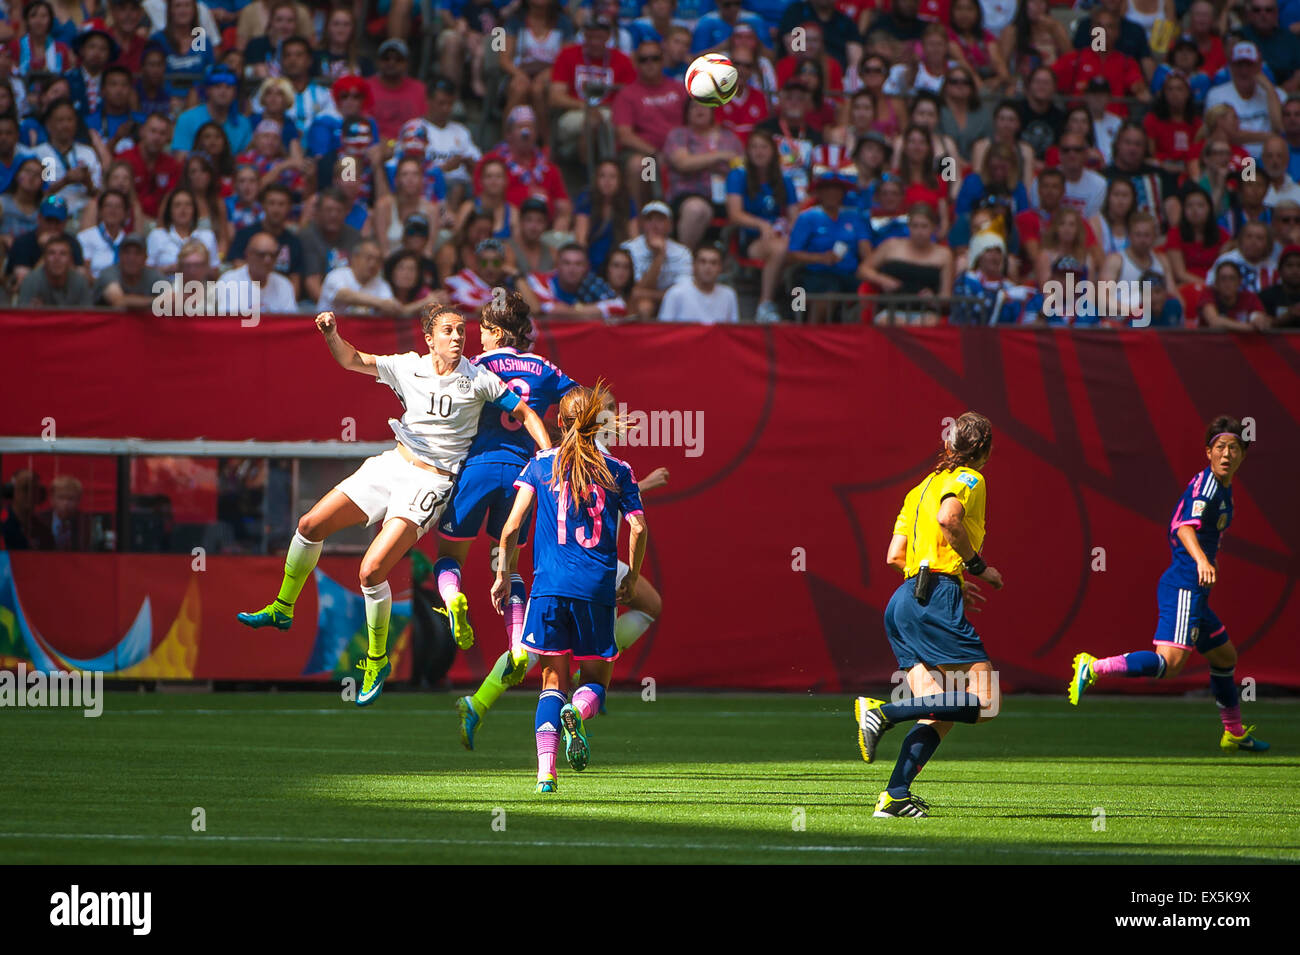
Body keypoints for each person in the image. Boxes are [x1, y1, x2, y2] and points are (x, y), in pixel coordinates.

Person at [236, 305, 549, 708]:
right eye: (449, 331)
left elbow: (523, 411)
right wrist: (330, 333)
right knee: (310, 524)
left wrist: (547, 453)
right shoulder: (407, 367)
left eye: (462, 331)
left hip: (431, 482)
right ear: (429, 339)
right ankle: (283, 606)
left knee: (370, 571)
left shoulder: (479, 379)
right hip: (392, 464)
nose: (458, 338)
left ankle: (377, 659)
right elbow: (351, 359)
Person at [1070, 417, 1268, 752]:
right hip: (1184, 586)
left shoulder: (1223, 489)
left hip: (1197, 593)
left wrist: (1207, 559)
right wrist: (1203, 561)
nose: (1226, 454)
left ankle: (1233, 732)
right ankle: (1094, 666)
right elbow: (1183, 529)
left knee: (1224, 656)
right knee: (1170, 665)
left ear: (1242, 456)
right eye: (1220, 447)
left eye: (1234, 448)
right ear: (1208, 452)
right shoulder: (1208, 486)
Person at [436, 295, 580, 746]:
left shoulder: (473, 364)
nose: (473, 335)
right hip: (523, 478)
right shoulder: (545, 369)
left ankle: (453, 597)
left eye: (481, 327)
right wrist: (568, 439)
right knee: (510, 564)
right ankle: (516, 642)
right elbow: (583, 400)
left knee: (449, 557)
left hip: (476, 468)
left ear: (497, 332)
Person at [491, 382, 647, 792]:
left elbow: (509, 530)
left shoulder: (541, 464)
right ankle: (578, 712)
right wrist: (630, 574)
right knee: (594, 680)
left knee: (551, 682)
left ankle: (545, 773)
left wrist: (502, 575)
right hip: (595, 589)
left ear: (558, 422)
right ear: (599, 424)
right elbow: (639, 526)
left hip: (548, 589)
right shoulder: (619, 470)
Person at [855, 411, 1004, 818]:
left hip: (904, 599)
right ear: (985, 450)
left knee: (938, 711)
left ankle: (894, 797)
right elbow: (949, 520)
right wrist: (976, 568)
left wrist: (952, 581)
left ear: (949, 445)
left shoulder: (920, 488)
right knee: (986, 702)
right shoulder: (969, 479)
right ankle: (883, 712)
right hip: (933, 598)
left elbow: (895, 555)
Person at [726, 128, 798, 324]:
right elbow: (734, 214)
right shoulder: (737, 176)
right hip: (751, 239)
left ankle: (798, 310)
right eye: (754, 147)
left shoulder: (786, 181)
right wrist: (761, 224)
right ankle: (764, 304)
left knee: (791, 245)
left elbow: (794, 217)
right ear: (747, 152)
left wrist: (787, 229)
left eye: (764, 147)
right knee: (780, 248)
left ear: (773, 152)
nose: (759, 152)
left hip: (781, 236)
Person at [786, 166, 871, 324]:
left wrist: (868, 269)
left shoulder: (854, 217)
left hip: (849, 274)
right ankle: (811, 336)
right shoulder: (807, 217)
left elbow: (865, 249)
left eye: (836, 190)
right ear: (819, 193)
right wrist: (820, 258)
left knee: (868, 295)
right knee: (826, 296)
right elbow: (792, 254)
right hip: (815, 274)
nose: (832, 194)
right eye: (827, 189)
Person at [548, 17, 633, 166]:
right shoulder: (567, 55)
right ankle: (589, 175)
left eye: (599, 37)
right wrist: (587, 107)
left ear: (608, 37)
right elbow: (555, 97)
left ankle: (612, 174)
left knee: (614, 123)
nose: (594, 42)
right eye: (590, 37)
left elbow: (632, 96)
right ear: (584, 36)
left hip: (610, 110)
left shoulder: (622, 60)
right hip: (574, 111)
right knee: (593, 121)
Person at [662, 99, 744, 250]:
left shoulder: (730, 138)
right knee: (697, 209)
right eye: (694, 107)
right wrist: (719, 156)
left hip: (727, 197)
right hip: (688, 195)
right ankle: (682, 261)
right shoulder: (679, 135)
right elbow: (683, 163)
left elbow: (741, 166)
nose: (700, 110)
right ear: (686, 113)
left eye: (704, 105)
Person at [860, 201, 954, 325]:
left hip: (926, 313)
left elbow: (946, 295)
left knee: (927, 323)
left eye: (924, 226)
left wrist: (934, 300)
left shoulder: (944, 254)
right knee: (892, 322)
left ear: (933, 228)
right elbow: (863, 269)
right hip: (890, 310)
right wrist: (882, 279)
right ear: (908, 226)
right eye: (915, 226)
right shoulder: (891, 245)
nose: (919, 231)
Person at [1203, 43, 1281, 162]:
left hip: (1269, 160)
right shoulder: (1217, 94)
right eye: (1239, 65)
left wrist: (1270, 90)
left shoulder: (1275, 94)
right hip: (1235, 159)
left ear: (1259, 66)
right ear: (1230, 67)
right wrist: (1270, 137)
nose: (1244, 71)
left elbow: (1279, 128)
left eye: (1249, 65)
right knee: (1248, 177)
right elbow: (1225, 134)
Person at [620, 200, 693, 319]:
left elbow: (684, 292)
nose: (654, 225)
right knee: (645, 307)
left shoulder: (682, 253)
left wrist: (648, 294)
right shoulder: (629, 249)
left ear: (670, 225)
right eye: (649, 220)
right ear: (642, 224)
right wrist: (659, 256)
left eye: (660, 220)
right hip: (633, 302)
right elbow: (634, 292)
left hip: (672, 301)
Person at [32, 98, 102, 220]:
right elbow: (37, 195)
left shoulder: (87, 153)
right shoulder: (39, 154)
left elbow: (97, 194)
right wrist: (65, 181)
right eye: (60, 120)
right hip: (51, 215)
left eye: (70, 120)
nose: (66, 125)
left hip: (84, 215)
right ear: (49, 124)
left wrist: (88, 182)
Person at [527, 242, 628, 320]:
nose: (572, 269)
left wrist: (572, 312)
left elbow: (619, 306)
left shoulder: (591, 282)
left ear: (586, 268)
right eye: (566, 263)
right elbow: (547, 309)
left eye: (578, 264)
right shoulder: (538, 280)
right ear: (557, 266)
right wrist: (591, 312)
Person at [574, 158, 637, 273]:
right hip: (591, 264)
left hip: (617, 266)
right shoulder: (586, 200)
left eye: (613, 177)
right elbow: (581, 241)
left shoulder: (628, 203)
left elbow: (634, 240)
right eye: (602, 176)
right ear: (596, 179)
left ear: (620, 180)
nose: (607, 181)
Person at [172, 66, 250, 156]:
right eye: (217, 86)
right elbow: (181, 159)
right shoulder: (186, 119)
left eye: (228, 87)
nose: (223, 91)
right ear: (208, 90)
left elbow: (246, 159)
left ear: (235, 92)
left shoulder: (243, 123)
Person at [218, 230, 298, 313]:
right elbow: (226, 322)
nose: (268, 260)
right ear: (248, 254)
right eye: (261, 255)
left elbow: (289, 322)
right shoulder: (228, 281)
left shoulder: (284, 284)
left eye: (273, 255)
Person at [1164, 186, 1229, 286]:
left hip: (1216, 285)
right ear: (1183, 210)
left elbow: (1224, 268)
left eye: (1200, 206)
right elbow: (1180, 274)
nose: (1195, 210)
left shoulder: (1222, 234)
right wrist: (1207, 285)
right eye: (1189, 206)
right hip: (1187, 286)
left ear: (1209, 209)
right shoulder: (1175, 233)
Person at [658, 243, 740, 323]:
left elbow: (732, 330)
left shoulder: (729, 295)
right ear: (694, 265)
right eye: (702, 262)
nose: (708, 267)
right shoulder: (675, 293)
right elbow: (664, 330)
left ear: (720, 268)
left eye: (713, 263)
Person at [315, 239, 402, 314]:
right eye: (369, 258)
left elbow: (391, 307)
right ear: (354, 258)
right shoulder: (336, 275)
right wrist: (380, 303)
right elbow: (345, 295)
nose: (373, 264)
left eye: (378, 260)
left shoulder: (381, 284)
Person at [365, 39, 428, 142]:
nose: (391, 63)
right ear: (377, 61)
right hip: (373, 146)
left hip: (411, 146)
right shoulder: (365, 86)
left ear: (407, 63)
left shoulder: (420, 89)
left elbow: (426, 126)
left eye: (398, 59)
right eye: (386, 58)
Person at [147, 187, 219, 273]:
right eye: (177, 205)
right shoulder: (157, 236)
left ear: (194, 210)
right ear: (170, 211)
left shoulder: (208, 236)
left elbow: (215, 273)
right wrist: (169, 269)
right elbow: (147, 273)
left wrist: (196, 268)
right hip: (164, 284)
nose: (183, 209)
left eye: (188, 205)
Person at [17, 233, 93, 306]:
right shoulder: (31, 281)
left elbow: (88, 316)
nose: (57, 259)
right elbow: (22, 316)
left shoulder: (80, 282)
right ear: (44, 258)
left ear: (70, 259)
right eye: (51, 253)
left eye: (63, 253)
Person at [93, 232, 163, 307]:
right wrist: (158, 301)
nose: (131, 258)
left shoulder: (153, 275)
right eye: (127, 252)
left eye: (137, 253)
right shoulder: (108, 274)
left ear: (145, 257)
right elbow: (118, 300)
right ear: (119, 255)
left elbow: (171, 299)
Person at [1194, 261, 1268, 329]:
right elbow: (1214, 321)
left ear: (1240, 281)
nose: (1227, 283)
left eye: (1232, 278)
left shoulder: (1250, 298)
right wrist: (1247, 327)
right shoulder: (1208, 293)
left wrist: (1257, 319)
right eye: (1223, 278)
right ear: (1216, 282)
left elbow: (1261, 320)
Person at [76, 189, 130, 278]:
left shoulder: (129, 241)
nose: (113, 210)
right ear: (100, 211)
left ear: (125, 213)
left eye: (118, 206)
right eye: (108, 206)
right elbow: (84, 271)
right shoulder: (86, 237)